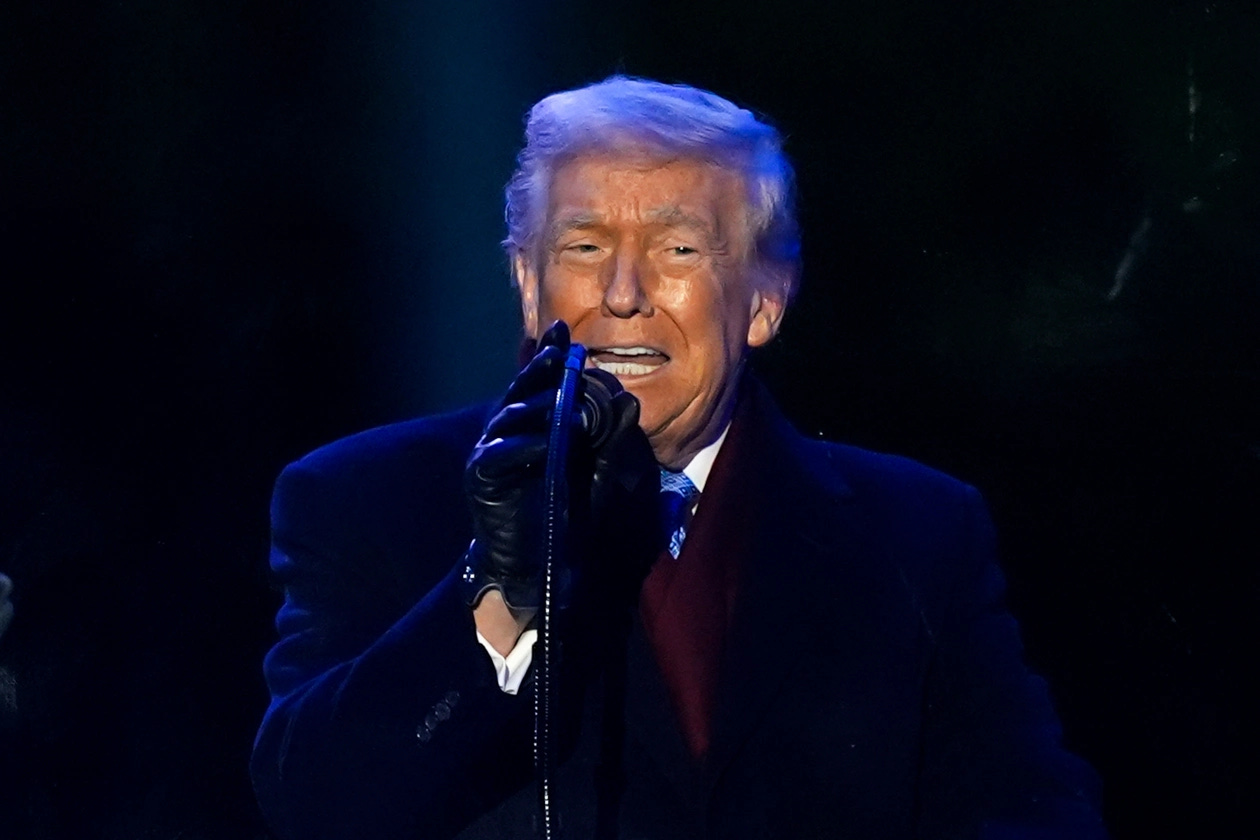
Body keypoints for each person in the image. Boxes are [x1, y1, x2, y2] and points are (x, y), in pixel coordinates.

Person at [251, 76, 1107, 840]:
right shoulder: (363, 499)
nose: (623, 294)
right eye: (584, 247)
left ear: (765, 301)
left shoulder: (918, 535)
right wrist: (499, 592)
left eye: (678, 249)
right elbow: (319, 810)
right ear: (528, 285)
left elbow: (1033, 814)